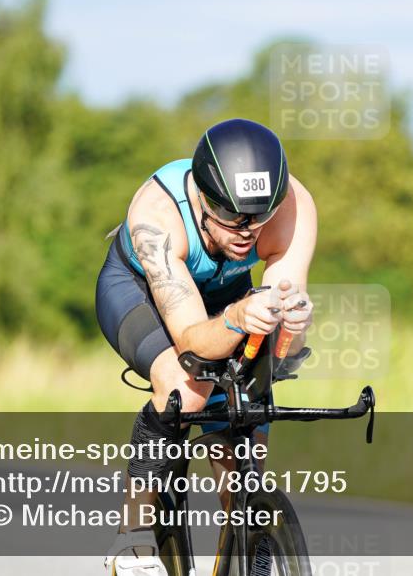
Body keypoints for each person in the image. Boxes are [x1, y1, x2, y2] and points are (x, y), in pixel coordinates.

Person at [95, 119, 317, 575]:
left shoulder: (294, 205)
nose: (248, 232)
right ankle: (132, 540)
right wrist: (236, 318)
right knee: (186, 383)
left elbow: (281, 326)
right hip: (141, 288)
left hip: (224, 290)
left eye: (260, 218)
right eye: (234, 218)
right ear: (202, 198)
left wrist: (292, 324)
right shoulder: (157, 218)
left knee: (249, 399)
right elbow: (194, 340)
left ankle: (251, 539)